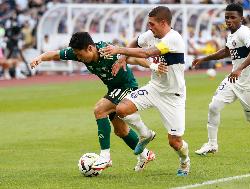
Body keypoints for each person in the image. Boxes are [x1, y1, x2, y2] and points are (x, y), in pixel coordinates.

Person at [30, 32, 156, 173]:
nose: (78, 57)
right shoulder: (79, 52)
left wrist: (154, 67)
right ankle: (145, 154)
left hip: (127, 88)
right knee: (120, 131)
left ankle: (105, 156)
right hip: (113, 90)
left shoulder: (107, 51)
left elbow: (132, 58)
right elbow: (55, 55)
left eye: (80, 55)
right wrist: (40, 58)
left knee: (99, 109)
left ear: (90, 48)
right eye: (76, 55)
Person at [101, 6, 190, 176]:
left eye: (152, 24)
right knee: (121, 109)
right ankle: (146, 134)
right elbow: (137, 41)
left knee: (175, 142)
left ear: (163, 23)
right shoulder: (151, 35)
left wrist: (119, 50)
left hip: (173, 96)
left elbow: (146, 52)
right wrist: (123, 59)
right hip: (154, 88)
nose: (149, 27)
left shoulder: (174, 39)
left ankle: (185, 162)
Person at [193, 3, 250, 155]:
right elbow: (226, 52)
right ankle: (212, 144)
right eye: (226, 17)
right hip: (233, 80)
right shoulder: (231, 34)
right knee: (214, 107)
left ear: (241, 19)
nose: (229, 20)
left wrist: (239, 68)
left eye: (232, 17)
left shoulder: (244, 32)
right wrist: (204, 59)